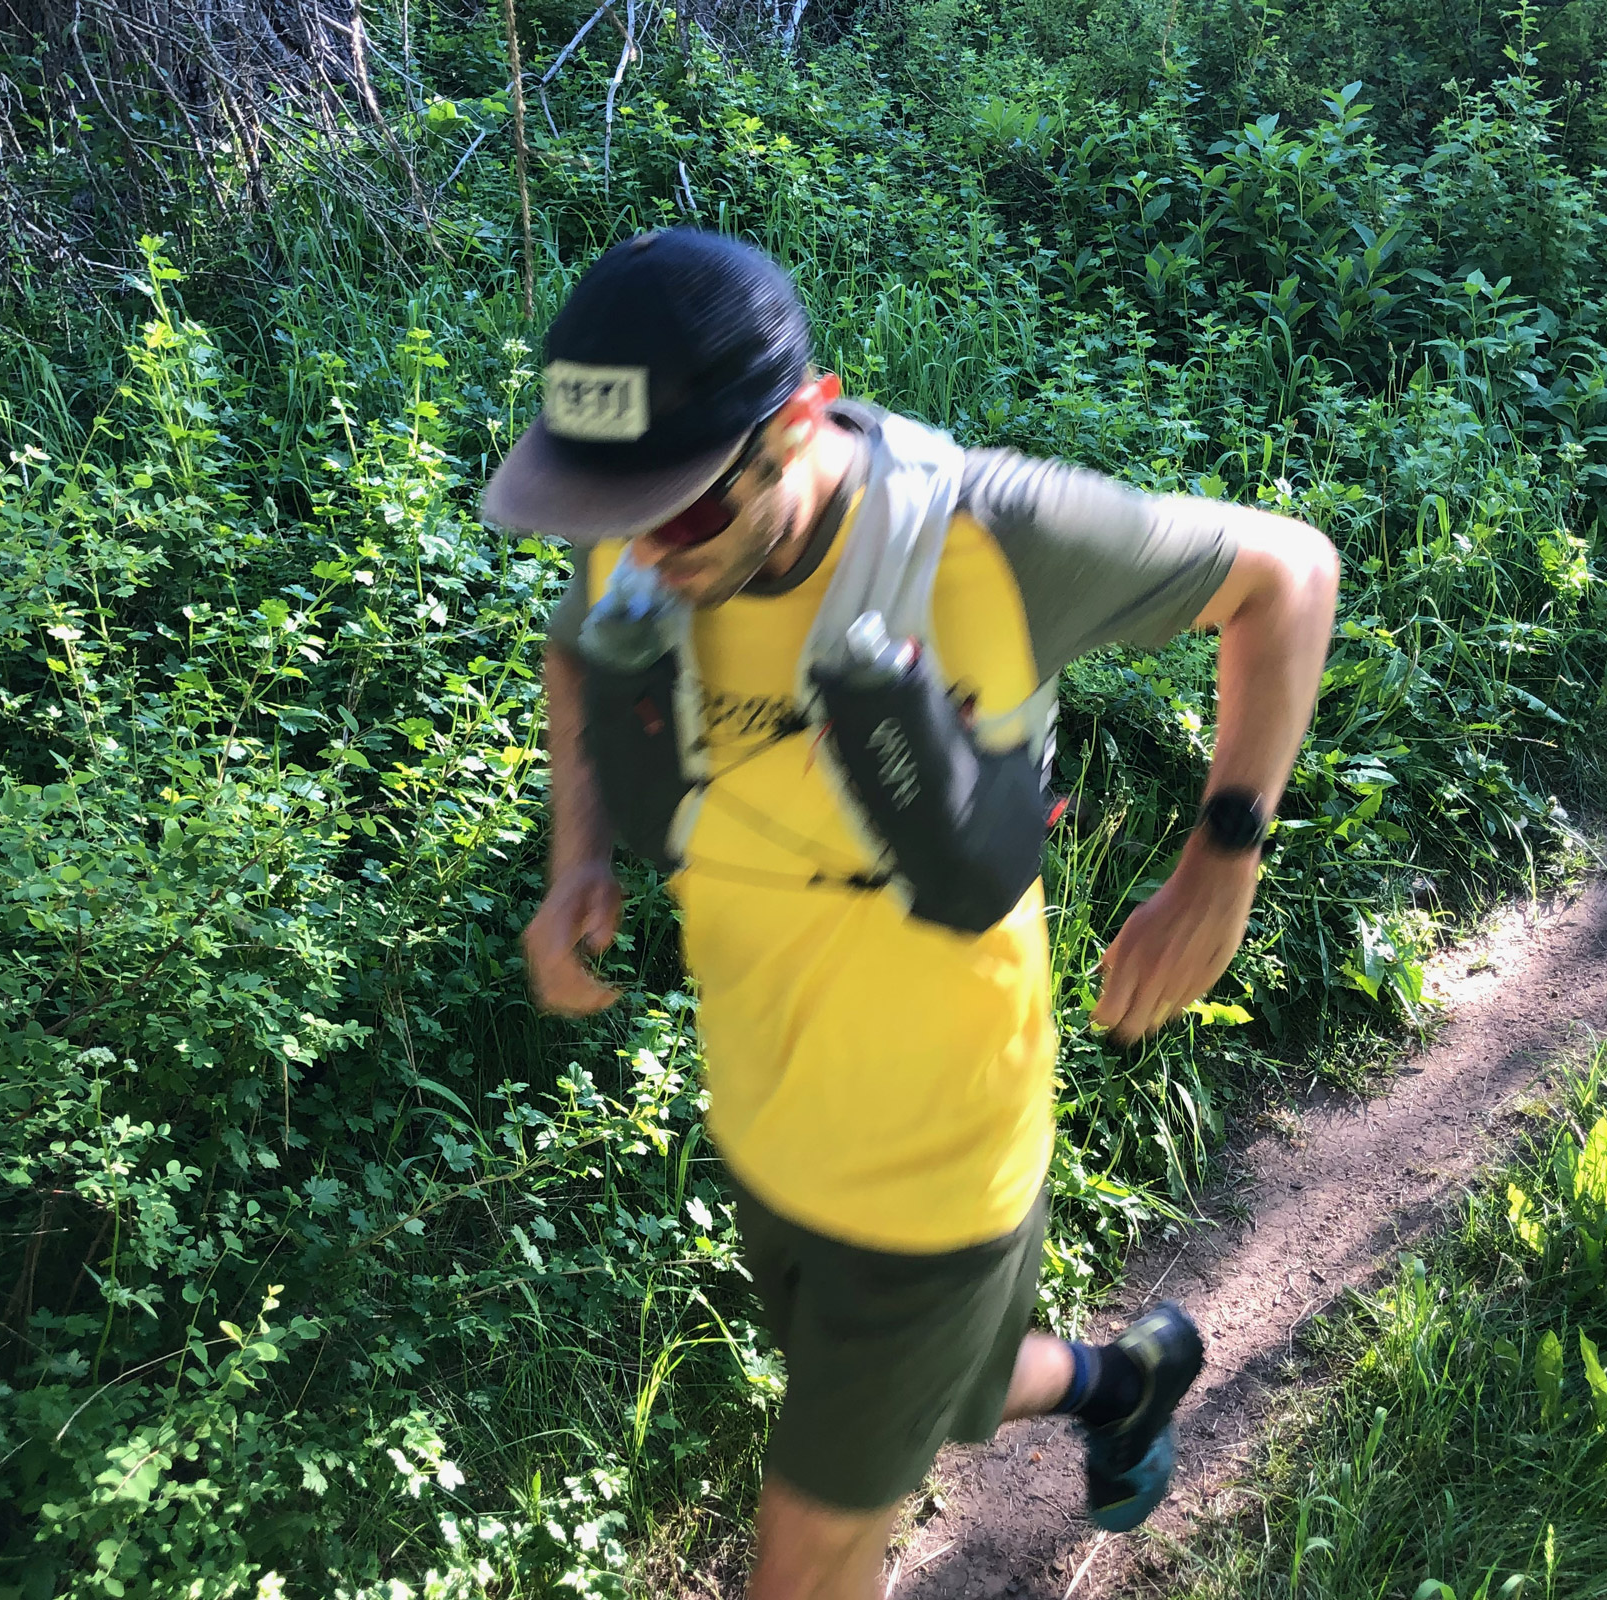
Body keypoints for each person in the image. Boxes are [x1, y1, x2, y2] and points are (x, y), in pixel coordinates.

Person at [484, 228, 1338, 1600]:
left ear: (798, 424)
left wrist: (1219, 866)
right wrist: (577, 853)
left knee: (812, 1541)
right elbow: (580, 650)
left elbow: (1289, 574)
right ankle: (1124, 1382)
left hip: (937, 1161)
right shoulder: (651, 519)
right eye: (610, 512)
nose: (641, 549)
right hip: (766, 1123)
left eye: (682, 512)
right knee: (953, 1387)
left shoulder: (990, 536)